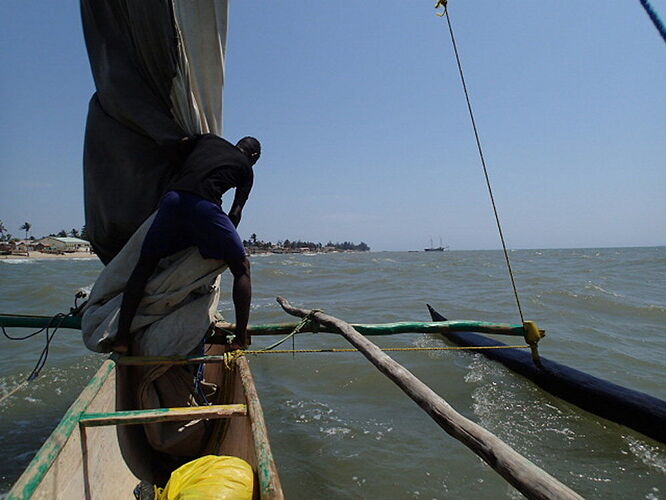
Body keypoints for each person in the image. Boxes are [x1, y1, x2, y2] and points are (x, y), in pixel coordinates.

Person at [112, 134, 261, 354]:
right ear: (254, 156)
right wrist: (222, 241)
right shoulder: (246, 169)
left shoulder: (209, 140)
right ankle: (240, 337)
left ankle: (121, 337)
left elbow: (177, 146)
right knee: (242, 269)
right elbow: (235, 213)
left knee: (145, 265)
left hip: (172, 200)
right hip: (204, 206)